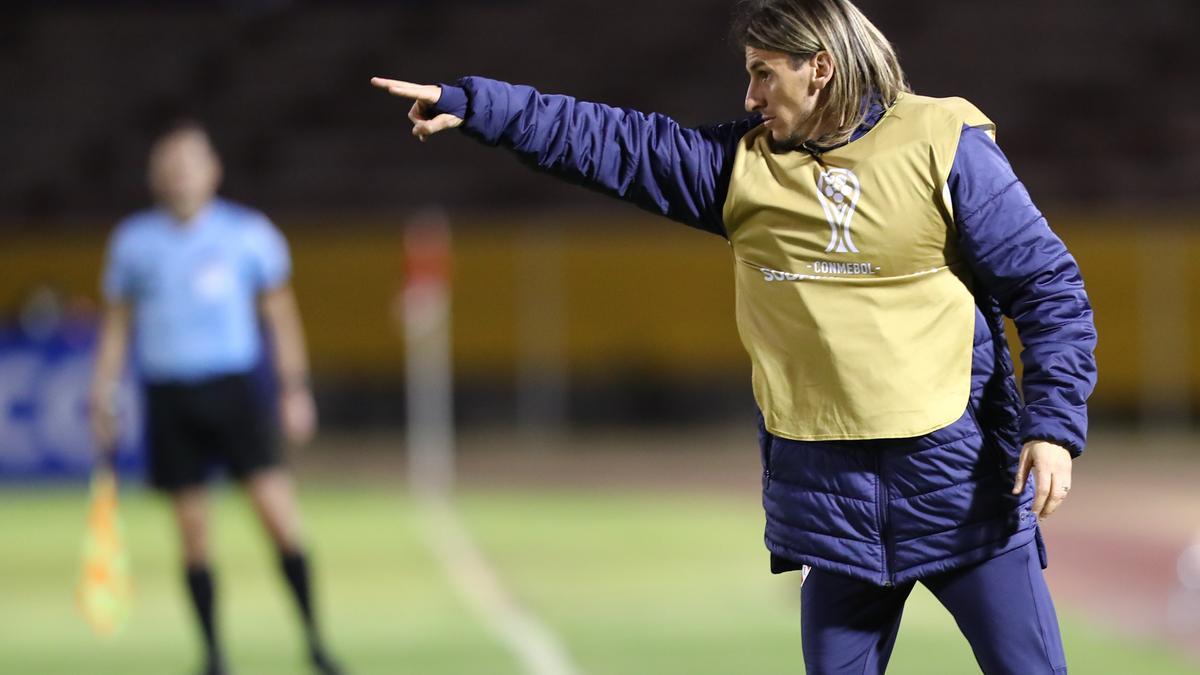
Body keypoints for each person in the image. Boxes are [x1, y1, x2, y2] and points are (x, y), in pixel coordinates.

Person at [371, 0, 1097, 673]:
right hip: (831, 513)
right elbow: (609, 142)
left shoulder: (944, 144)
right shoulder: (739, 170)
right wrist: (479, 105)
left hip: (962, 493)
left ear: (821, 65)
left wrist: (1054, 428)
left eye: (762, 73)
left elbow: (1048, 285)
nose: (749, 97)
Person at [90, 121, 342, 675]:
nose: (180, 176)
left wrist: (294, 389)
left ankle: (315, 642)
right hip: (170, 395)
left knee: (279, 518)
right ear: (157, 177)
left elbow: (280, 315)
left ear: (212, 172)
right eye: (170, 166)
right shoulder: (134, 243)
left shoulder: (248, 234)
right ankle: (212, 655)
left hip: (235, 391)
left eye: (189, 165)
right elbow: (115, 327)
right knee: (193, 534)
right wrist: (101, 393)